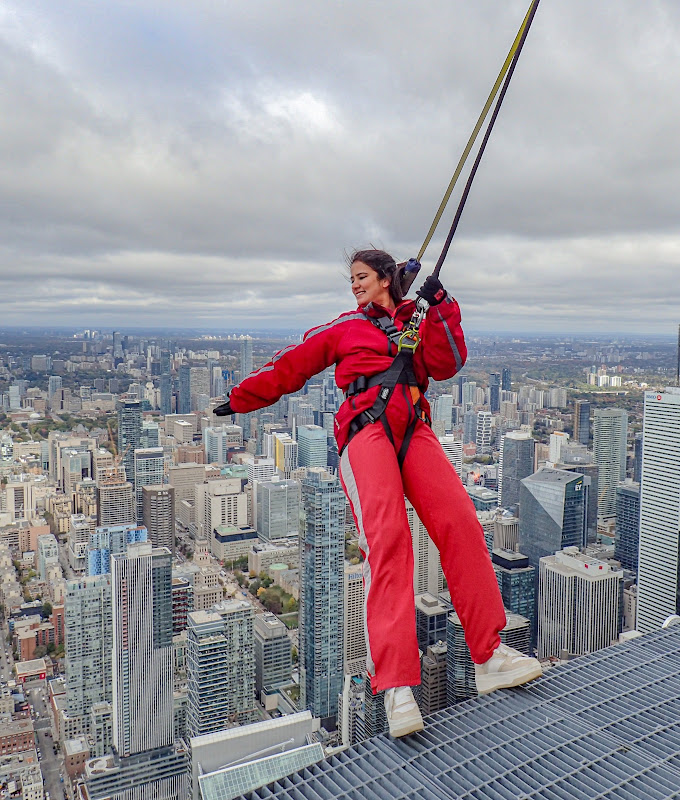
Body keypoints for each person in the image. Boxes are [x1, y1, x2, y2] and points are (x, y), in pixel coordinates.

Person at [215, 249, 541, 737]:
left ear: (387, 279)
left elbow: (448, 361)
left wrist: (442, 303)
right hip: (366, 429)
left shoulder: (418, 319)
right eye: (351, 279)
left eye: (361, 277)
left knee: (461, 523)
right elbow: (291, 367)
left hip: (414, 426)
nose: (354, 285)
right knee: (388, 541)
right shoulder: (345, 327)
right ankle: (395, 685)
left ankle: (489, 655)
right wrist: (239, 398)